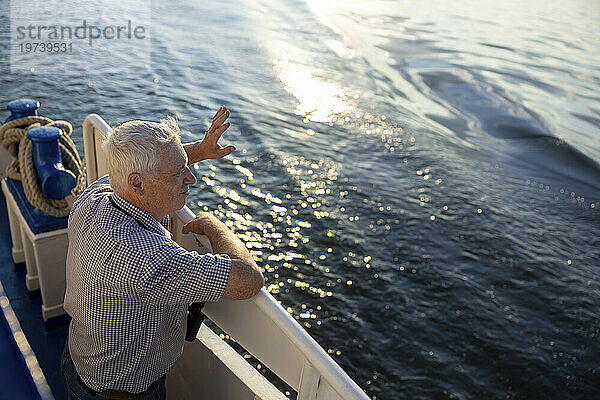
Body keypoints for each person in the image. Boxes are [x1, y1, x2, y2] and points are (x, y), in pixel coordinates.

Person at [61, 107, 263, 399]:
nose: (191, 179)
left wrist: (199, 150)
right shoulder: (142, 256)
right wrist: (216, 227)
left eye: (185, 166)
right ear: (138, 183)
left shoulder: (97, 197)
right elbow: (249, 279)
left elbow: (137, 172)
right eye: (178, 173)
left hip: (80, 362)